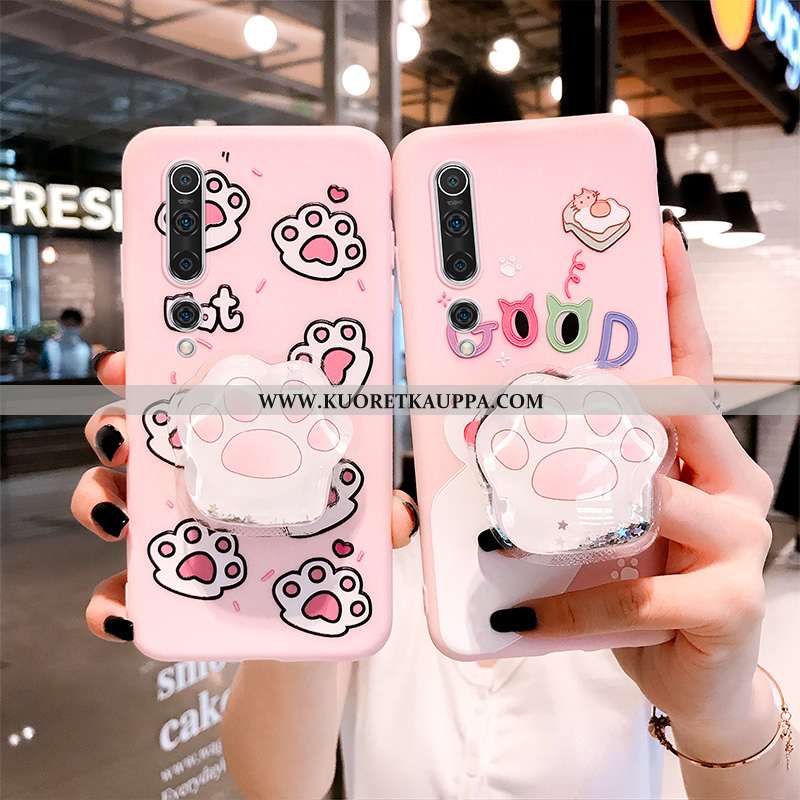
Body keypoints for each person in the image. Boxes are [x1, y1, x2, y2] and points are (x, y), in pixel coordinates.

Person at [71, 220, 797, 799]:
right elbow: (281, 786)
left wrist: (724, 714)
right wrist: (294, 531)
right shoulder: (374, 537)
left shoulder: (653, 553)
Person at [41, 308, 92, 380]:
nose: (70, 328)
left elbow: (89, 372)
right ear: (60, 324)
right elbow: (43, 370)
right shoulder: (49, 347)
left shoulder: (86, 348)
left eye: (73, 325)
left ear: (80, 326)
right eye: (67, 325)